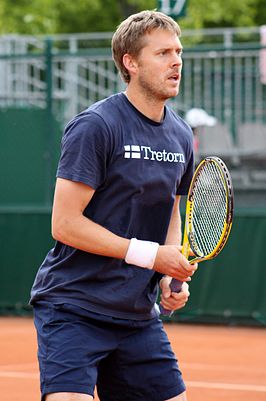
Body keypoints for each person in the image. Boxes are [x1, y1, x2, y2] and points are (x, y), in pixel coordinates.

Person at [30, 10, 198, 401]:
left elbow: (171, 210)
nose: (176, 61)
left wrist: (170, 274)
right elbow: (65, 224)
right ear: (131, 62)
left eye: (179, 52)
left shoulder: (180, 134)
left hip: (138, 315)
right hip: (73, 306)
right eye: (163, 53)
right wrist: (151, 255)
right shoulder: (96, 126)